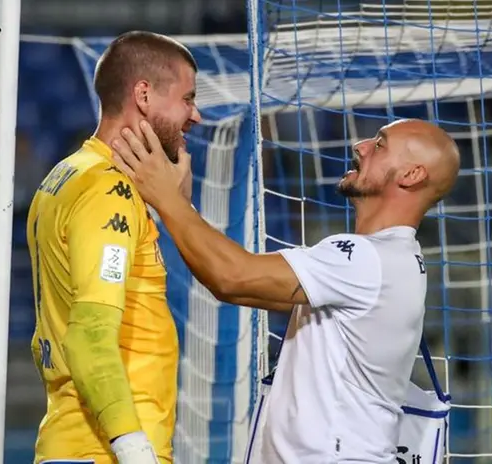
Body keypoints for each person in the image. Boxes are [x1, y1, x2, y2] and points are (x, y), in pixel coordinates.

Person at [110, 118, 460, 463]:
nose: (361, 147)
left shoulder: (369, 259)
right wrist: (180, 208)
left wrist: (166, 198)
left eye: (380, 144)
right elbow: (237, 285)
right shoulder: (394, 258)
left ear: (411, 175)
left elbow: (233, 277)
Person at [26, 31, 201, 464]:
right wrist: (134, 449)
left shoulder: (68, 174)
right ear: (143, 94)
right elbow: (88, 337)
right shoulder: (109, 191)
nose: (195, 115)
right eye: (187, 98)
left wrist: (169, 209)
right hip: (104, 451)